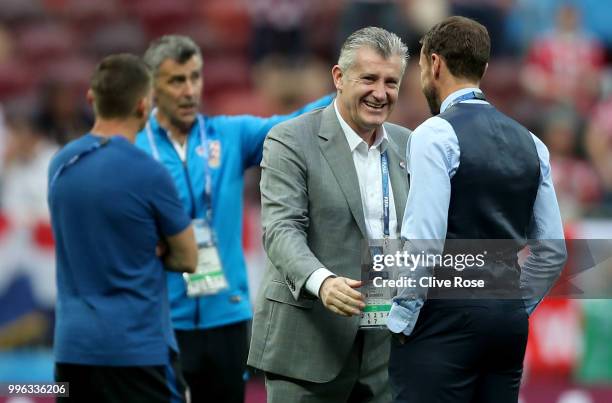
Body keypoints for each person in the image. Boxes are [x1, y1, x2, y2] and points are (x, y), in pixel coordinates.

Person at [135, 35, 334, 403]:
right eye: (177, 80)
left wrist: (346, 91)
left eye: (195, 77)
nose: (189, 89)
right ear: (152, 86)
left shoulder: (227, 135)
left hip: (226, 317)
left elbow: (292, 124)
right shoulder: (133, 147)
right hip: (160, 322)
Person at [386, 16, 567, 403]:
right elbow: (552, 252)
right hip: (506, 322)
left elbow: (425, 242)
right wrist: (512, 304)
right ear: (483, 69)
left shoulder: (433, 134)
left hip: (442, 319)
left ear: (434, 64)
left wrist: (402, 315)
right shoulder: (533, 143)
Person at [248, 27, 411, 402]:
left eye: (391, 82)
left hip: (385, 352)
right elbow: (281, 229)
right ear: (339, 77)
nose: (380, 93)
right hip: (308, 345)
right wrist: (321, 282)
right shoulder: (289, 140)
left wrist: (501, 269)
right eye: (369, 78)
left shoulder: (409, 145)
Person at [49, 54, 197, 403]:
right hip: (137, 352)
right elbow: (189, 258)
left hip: (71, 352)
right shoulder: (149, 173)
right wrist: (154, 247)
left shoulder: (60, 163)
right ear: (144, 106)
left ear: (91, 99)